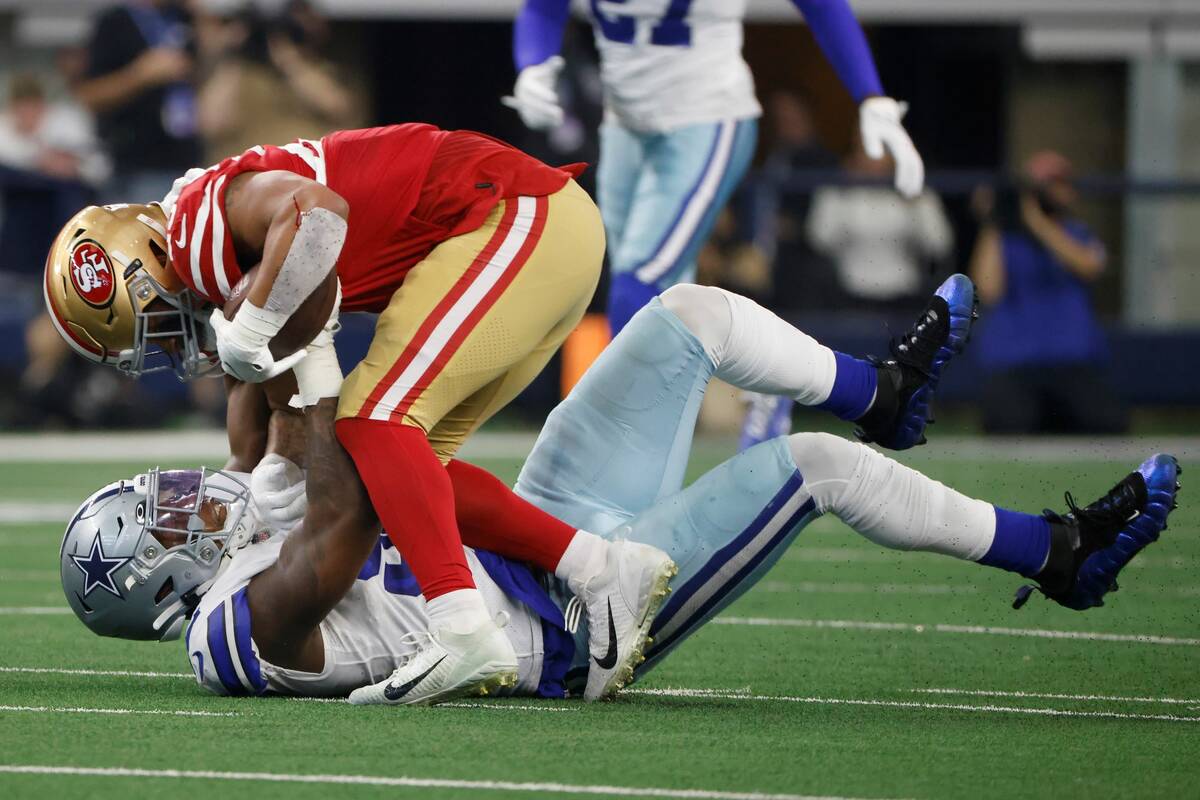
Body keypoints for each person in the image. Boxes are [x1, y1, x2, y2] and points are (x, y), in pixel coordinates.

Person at [59, 279, 1180, 702]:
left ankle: (881, 388)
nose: (176, 500)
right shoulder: (226, 628)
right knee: (811, 470)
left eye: (152, 495)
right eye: (155, 521)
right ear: (157, 587)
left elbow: (267, 422)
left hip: (538, 531)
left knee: (683, 316)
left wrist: (236, 296)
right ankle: (1060, 553)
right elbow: (347, 509)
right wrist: (299, 330)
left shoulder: (237, 523)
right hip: (571, 621)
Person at [41, 123, 662, 702]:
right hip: (540, 224)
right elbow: (271, 375)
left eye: (154, 333)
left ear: (144, 269)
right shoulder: (215, 250)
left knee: (374, 423)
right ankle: (601, 569)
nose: (174, 350)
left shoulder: (196, 228)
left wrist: (252, 327)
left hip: (512, 215)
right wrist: (279, 447)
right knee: (403, 474)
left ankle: (462, 629)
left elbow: (318, 217)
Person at [504, 0, 924, 452]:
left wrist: (870, 94)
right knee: (661, 301)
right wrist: (532, 65)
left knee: (639, 282)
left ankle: (615, 440)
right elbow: (543, 7)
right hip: (626, 126)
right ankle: (769, 382)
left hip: (705, 121)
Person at [968, 151, 1127, 435]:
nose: (1057, 191)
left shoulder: (1078, 233)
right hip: (1014, 363)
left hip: (1073, 361)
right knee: (1009, 426)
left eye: (1062, 183)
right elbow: (988, 289)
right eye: (1047, 185)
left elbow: (1089, 266)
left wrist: (1035, 220)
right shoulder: (1003, 239)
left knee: (1107, 425)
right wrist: (995, 220)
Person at [806, 135, 953, 312]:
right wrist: (844, 190)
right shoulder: (838, 192)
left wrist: (915, 203)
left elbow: (940, 244)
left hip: (904, 297)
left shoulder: (917, 193)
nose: (875, 159)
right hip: (850, 295)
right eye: (867, 150)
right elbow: (819, 240)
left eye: (883, 151)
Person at [74, 0, 201, 203]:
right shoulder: (114, 22)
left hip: (189, 161)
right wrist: (140, 75)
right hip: (136, 163)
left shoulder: (185, 17)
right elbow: (90, 95)